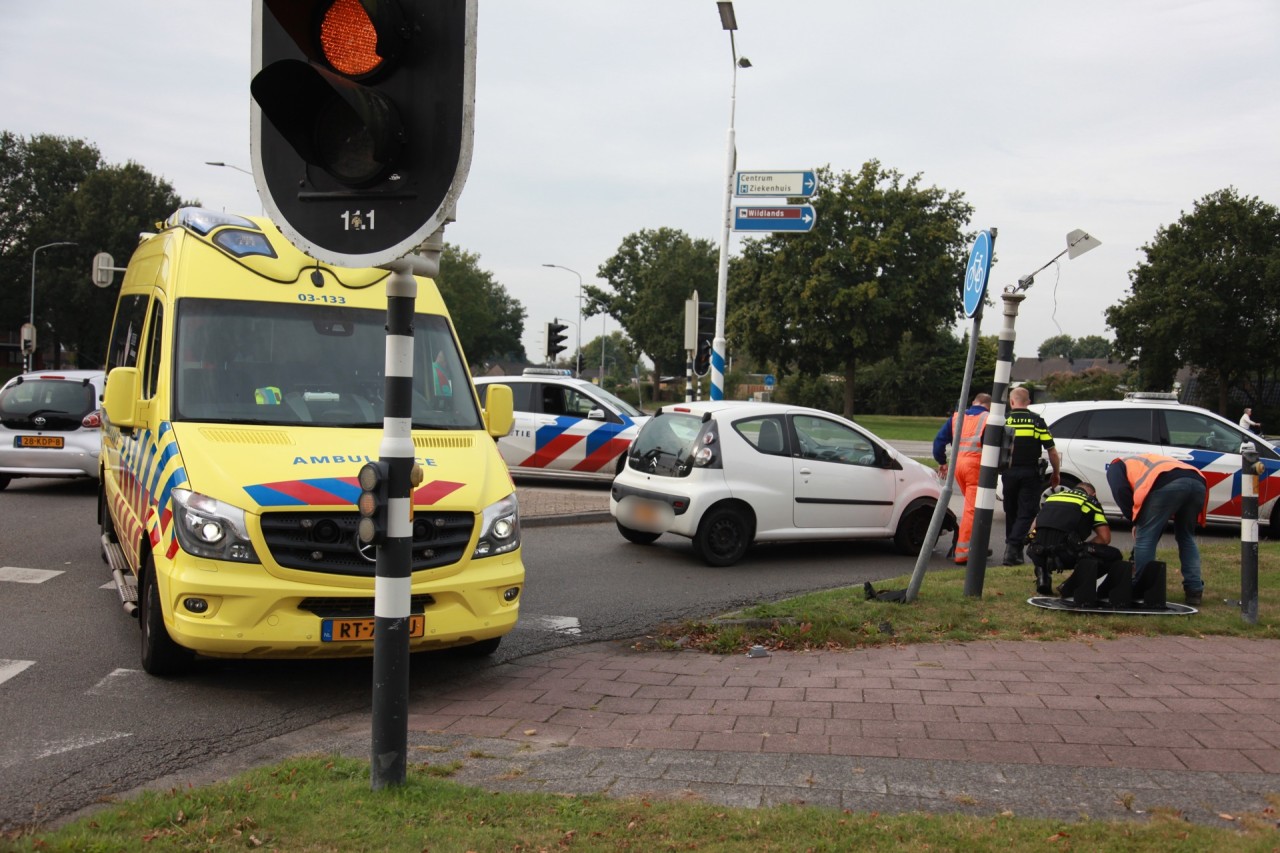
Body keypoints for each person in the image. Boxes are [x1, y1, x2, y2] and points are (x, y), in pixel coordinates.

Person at [1106, 453, 1208, 606]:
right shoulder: (1145, 460)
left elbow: (1120, 490)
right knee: (1186, 537)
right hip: (1197, 481)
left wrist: (1135, 520)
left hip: (1165, 482)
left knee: (1145, 538)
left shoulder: (1116, 466)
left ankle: (1141, 588)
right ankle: (1194, 590)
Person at [1026, 482, 1122, 597]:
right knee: (1114, 555)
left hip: (1037, 552)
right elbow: (1105, 538)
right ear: (1094, 494)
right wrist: (1083, 545)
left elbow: (1033, 530)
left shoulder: (1052, 498)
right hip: (1065, 554)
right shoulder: (1091, 502)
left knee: (1046, 540)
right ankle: (1069, 585)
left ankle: (1043, 578)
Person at [1001, 387, 1061, 566]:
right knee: (1026, 513)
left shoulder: (1004, 420)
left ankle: (1015, 551)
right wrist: (1056, 473)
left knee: (1011, 511)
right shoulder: (1036, 421)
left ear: (1012, 402)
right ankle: (1012, 549)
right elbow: (1052, 451)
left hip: (1008, 472)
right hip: (1030, 473)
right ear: (1028, 402)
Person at [933, 392, 991, 564]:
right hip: (976, 466)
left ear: (974, 402)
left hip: (958, 465)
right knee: (972, 511)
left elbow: (938, 442)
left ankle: (975, 545)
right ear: (989, 405)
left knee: (971, 508)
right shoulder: (989, 418)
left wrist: (942, 462)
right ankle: (963, 552)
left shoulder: (957, 417)